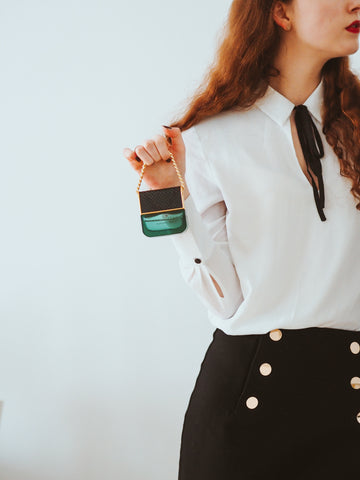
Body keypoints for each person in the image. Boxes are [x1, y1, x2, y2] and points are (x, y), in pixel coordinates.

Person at [124, 0, 360, 478]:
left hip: (348, 407)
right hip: (250, 405)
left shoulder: (355, 126)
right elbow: (226, 300)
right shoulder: (209, 138)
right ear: (281, 12)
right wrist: (169, 196)